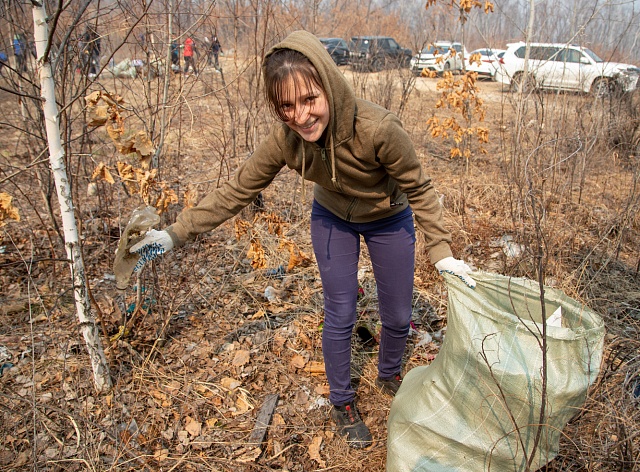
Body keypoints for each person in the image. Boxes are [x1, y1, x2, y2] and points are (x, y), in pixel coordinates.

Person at [129, 30, 475, 449]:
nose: (301, 116)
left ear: (328, 85)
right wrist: (172, 235)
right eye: (286, 106)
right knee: (341, 311)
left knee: (399, 316)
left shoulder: (378, 128)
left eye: (309, 99)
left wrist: (442, 253)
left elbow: (419, 188)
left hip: (388, 218)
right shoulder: (286, 139)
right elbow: (236, 190)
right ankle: (343, 402)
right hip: (333, 218)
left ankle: (389, 375)